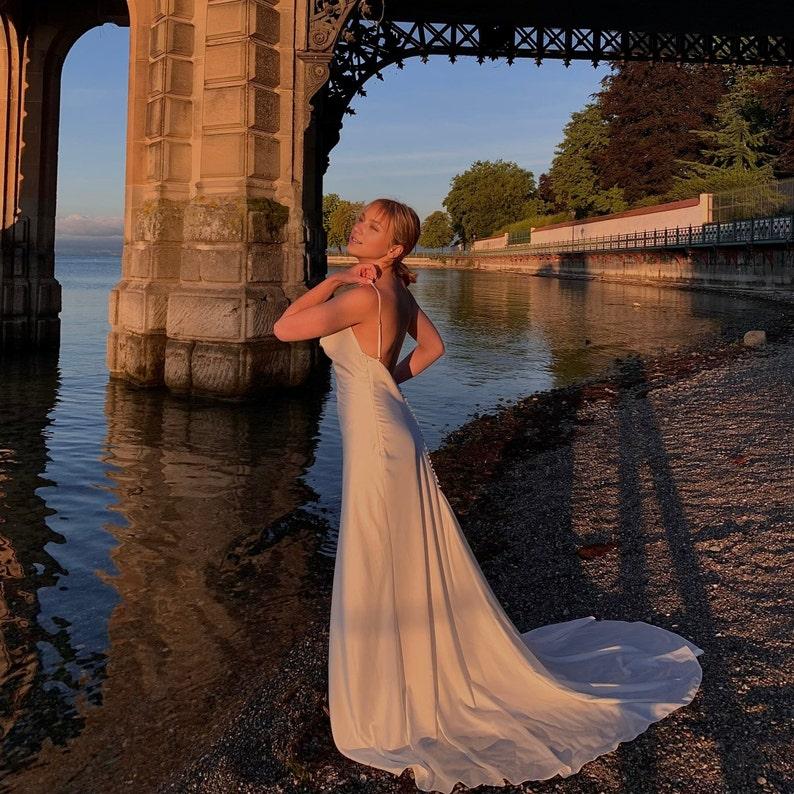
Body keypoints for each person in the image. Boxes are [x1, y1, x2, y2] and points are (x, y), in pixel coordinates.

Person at [273, 197, 704, 793]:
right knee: (405, 551)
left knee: (381, 552)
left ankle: (393, 686)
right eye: (360, 223)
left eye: (370, 226)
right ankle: (415, 666)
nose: (357, 229)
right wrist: (382, 382)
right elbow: (433, 350)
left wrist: (337, 280)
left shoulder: (362, 294)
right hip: (390, 424)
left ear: (394, 247)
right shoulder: (398, 293)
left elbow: (285, 327)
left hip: (376, 438)